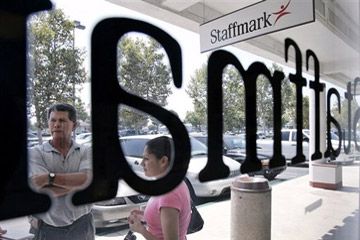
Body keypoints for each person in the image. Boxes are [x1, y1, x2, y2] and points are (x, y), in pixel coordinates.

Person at [28, 103, 94, 240]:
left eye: (62, 120)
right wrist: (79, 184)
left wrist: (48, 178)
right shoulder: (35, 153)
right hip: (50, 229)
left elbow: (87, 179)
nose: (56, 124)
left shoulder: (86, 151)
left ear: (74, 125)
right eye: (53, 120)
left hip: (83, 225)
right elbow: (42, 192)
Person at [127, 136, 191, 240]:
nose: (142, 163)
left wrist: (141, 230)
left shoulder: (169, 193)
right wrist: (145, 214)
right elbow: (166, 215)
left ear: (163, 161)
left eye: (146, 158)